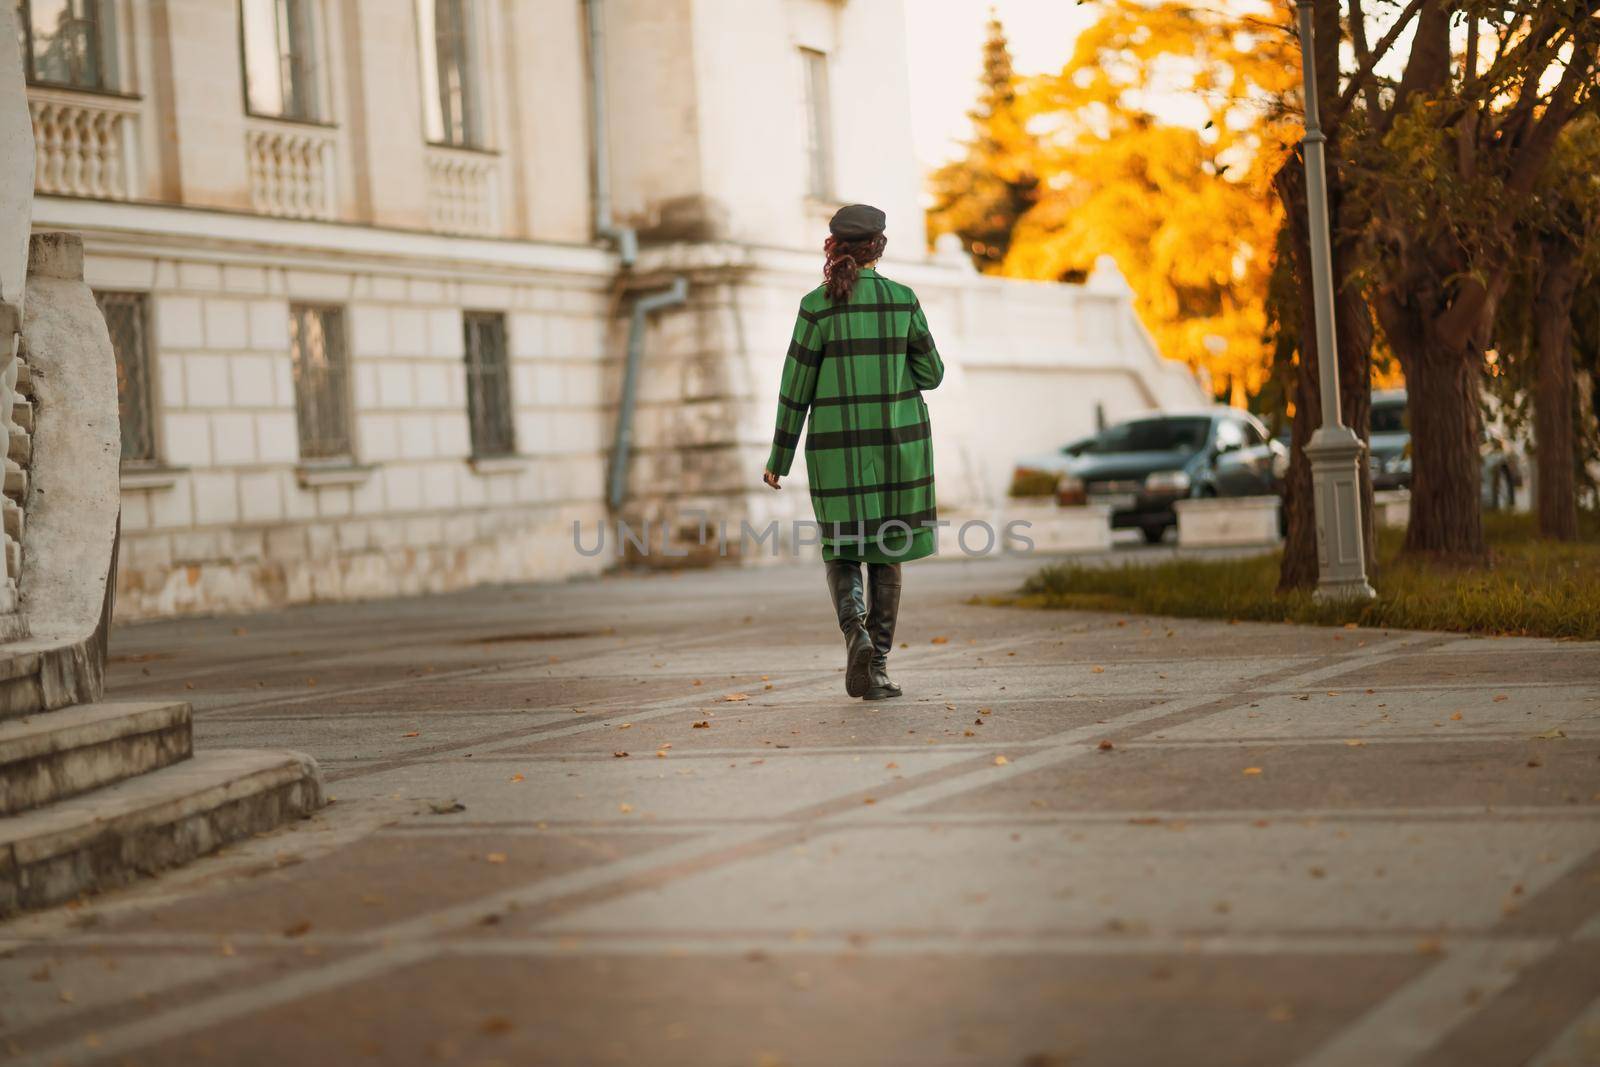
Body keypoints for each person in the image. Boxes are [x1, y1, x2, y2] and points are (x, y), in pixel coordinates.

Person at [762, 204, 945, 700]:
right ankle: (878, 667)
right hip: (897, 446)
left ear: (833, 248)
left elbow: (794, 388)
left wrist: (779, 458)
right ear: (877, 247)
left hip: (835, 449)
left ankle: (855, 634)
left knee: (842, 547)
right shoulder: (903, 300)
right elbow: (932, 374)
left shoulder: (815, 306)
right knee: (887, 552)